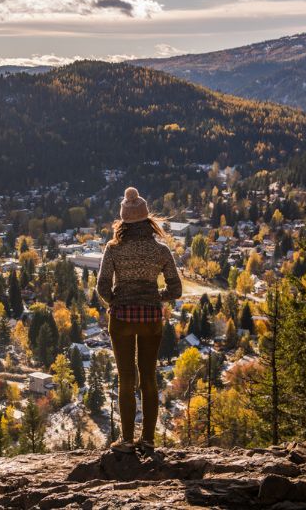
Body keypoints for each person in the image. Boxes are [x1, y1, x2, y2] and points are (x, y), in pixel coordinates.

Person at [97, 187, 182, 454]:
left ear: (123, 220)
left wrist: (116, 301)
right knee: (148, 378)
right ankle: (147, 440)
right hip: (150, 319)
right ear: (147, 219)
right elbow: (176, 289)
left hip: (121, 319)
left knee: (126, 379)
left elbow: (101, 287)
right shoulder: (160, 250)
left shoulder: (113, 249)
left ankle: (125, 441)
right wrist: (156, 297)